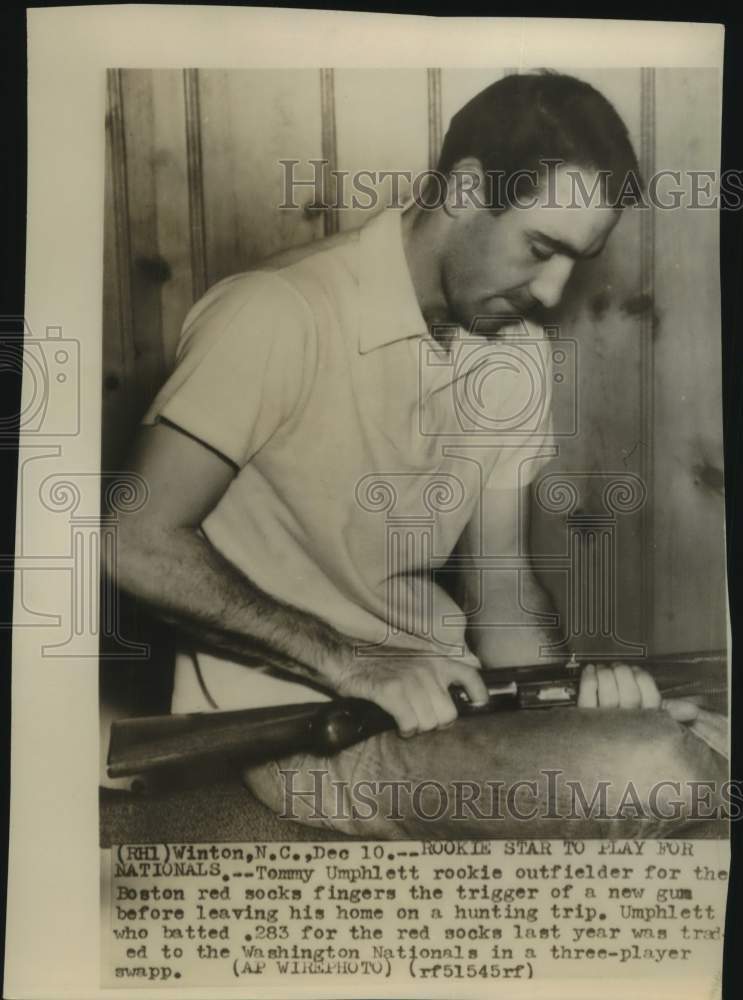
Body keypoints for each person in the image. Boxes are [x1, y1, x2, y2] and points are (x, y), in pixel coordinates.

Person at [111, 72, 727, 838]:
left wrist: (567, 700)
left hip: (450, 699)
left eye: (578, 260)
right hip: (304, 724)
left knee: (696, 741)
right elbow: (130, 541)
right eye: (540, 248)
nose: (552, 290)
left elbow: (501, 593)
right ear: (464, 191)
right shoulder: (276, 313)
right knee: (663, 775)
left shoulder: (515, 353)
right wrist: (351, 663)